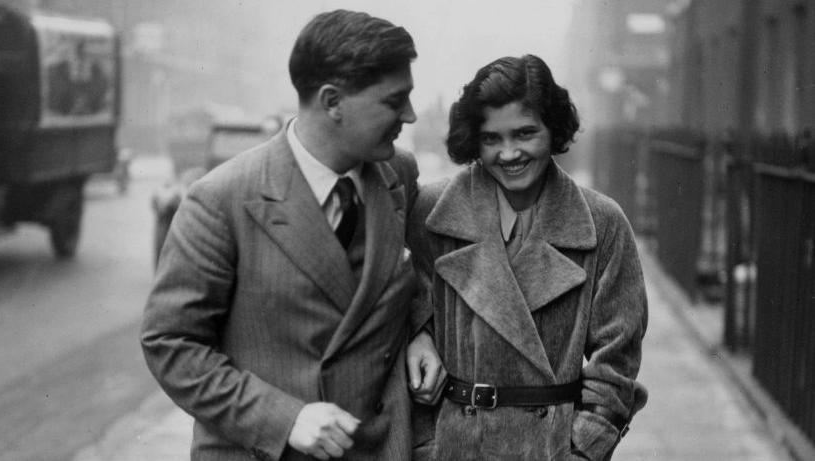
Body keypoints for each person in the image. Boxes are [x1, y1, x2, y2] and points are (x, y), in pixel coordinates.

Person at [141, 10, 441, 461]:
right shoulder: (221, 200)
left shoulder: (399, 173)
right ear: (332, 101)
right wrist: (283, 419)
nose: (411, 115)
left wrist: (419, 330)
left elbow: (407, 274)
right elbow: (170, 344)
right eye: (393, 101)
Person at [407, 54, 648, 460]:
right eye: (491, 138)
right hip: (453, 445)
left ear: (553, 129)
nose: (509, 153)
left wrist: (582, 450)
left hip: (548, 448)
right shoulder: (432, 211)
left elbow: (617, 363)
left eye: (524, 134)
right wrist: (427, 444)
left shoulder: (601, 222)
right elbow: (406, 313)